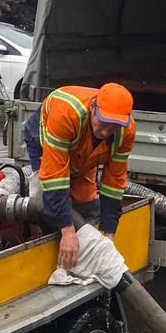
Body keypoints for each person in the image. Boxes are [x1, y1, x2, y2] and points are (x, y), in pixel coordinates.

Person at [22, 82, 137, 273]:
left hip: (82, 153)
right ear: (93, 108)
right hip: (45, 139)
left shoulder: (126, 131)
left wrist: (109, 235)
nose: (106, 132)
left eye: (113, 128)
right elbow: (55, 179)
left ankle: (79, 249)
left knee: (84, 203)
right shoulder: (66, 114)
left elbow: (114, 184)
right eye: (103, 124)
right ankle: (47, 244)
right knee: (45, 200)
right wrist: (67, 232)